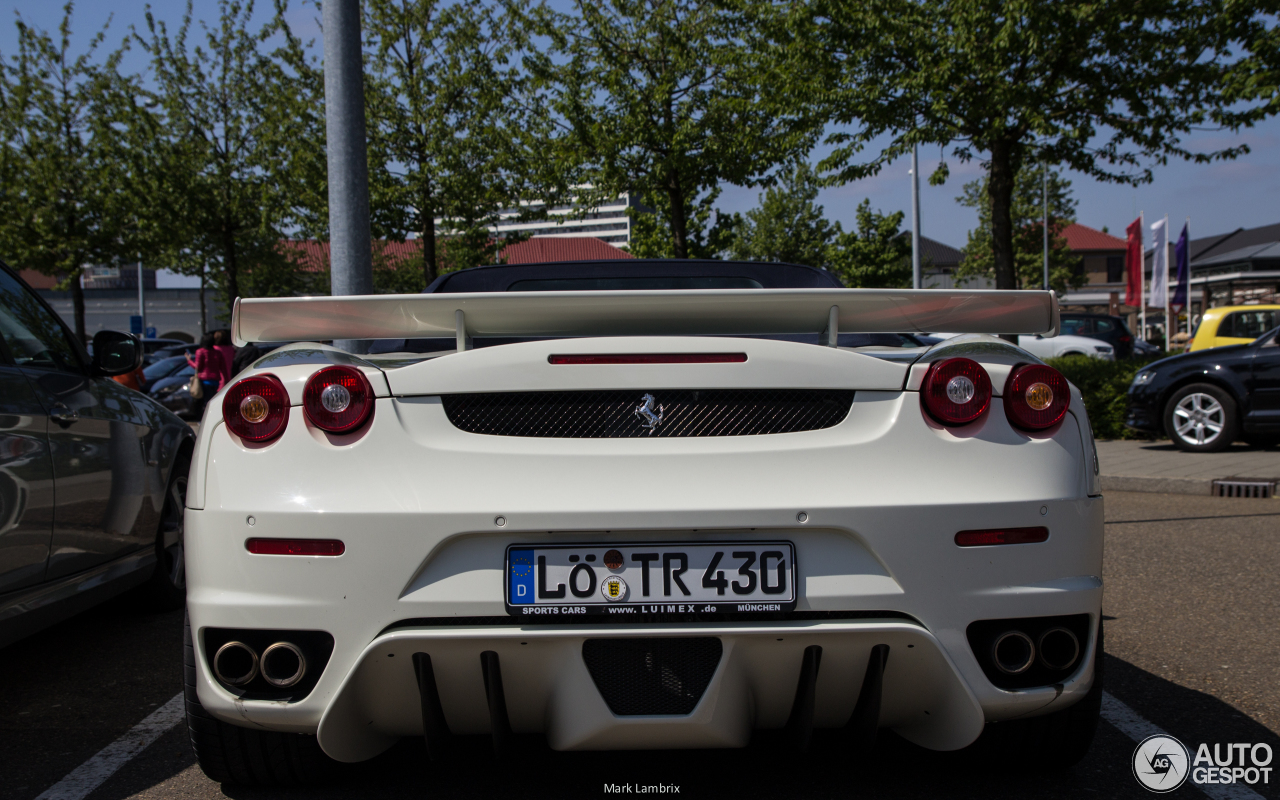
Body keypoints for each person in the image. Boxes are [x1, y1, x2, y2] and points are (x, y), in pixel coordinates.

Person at [187, 333, 227, 418]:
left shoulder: (200, 351)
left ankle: (206, 418)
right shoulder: (217, 353)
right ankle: (213, 416)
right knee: (212, 400)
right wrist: (226, 380)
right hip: (215, 380)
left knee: (204, 401)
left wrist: (189, 360)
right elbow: (223, 368)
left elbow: (197, 367)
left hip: (204, 380)